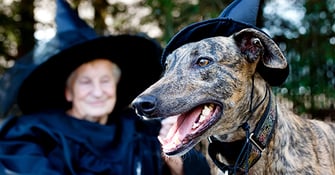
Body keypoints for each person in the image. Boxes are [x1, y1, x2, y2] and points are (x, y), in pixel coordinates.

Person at [0, 33, 211, 175]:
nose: (98, 91)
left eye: (105, 81)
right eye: (85, 82)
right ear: (68, 92)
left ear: (116, 87)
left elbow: (199, 171)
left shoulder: (139, 127)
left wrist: (172, 148)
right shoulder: (30, 132)